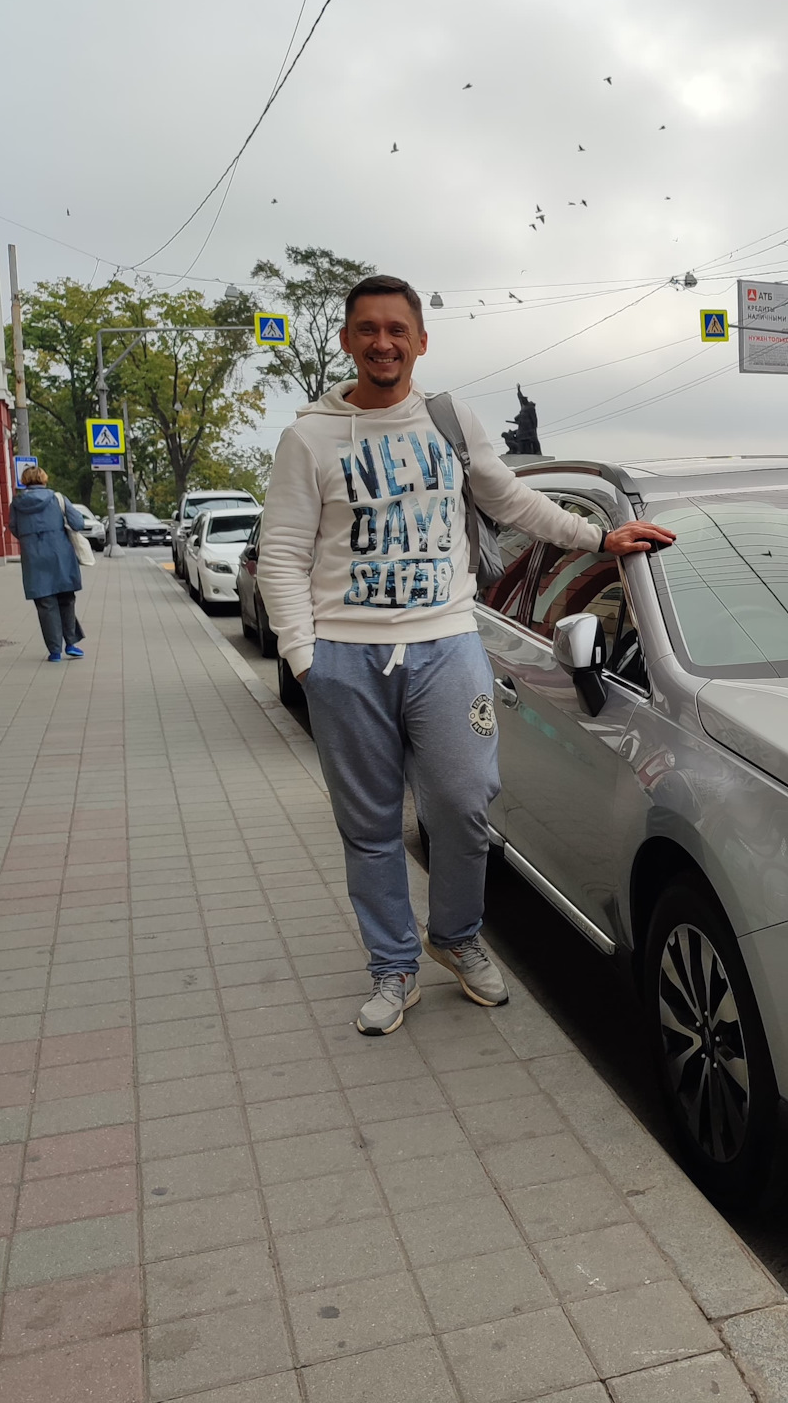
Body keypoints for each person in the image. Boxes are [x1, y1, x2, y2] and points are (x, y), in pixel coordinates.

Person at [256, 275, 674, 1036]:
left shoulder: (449, 422)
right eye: (368, 329)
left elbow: (510, 500)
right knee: (370, 825)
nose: (383, 342)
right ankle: (392, 966)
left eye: (397, 329)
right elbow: (282, 554)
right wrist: (305, 658)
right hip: (345, 658)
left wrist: (598, 539)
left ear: (420, 340)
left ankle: (453, 936)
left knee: (464, 799)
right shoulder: (308, 439)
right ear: (349, 341)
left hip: (445, 643)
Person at [10, 465, 87, 662]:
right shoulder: (57, 498)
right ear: (44, 479)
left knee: (45, 604)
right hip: (60, 555)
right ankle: (71, 643)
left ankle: (54, 651)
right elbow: (78, 524)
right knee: (66, 599)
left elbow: (14, 528)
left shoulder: (16, 504)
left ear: (25, 481)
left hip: (33, 557)